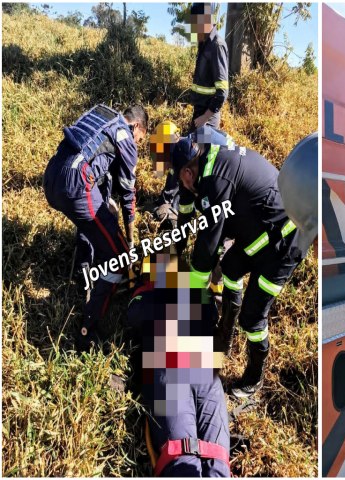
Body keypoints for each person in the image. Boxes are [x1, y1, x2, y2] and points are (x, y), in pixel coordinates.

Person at [171, 138, 307, 398]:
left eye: (181, 180)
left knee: (253, 318)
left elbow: (208, 244)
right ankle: (225, 335)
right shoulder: (203, 160)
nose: (183, 186)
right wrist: (176, 256)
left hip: (285, 241)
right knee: (230, 268)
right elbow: (187, 212)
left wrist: (193, 297)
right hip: (258, 231)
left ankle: (254, 377)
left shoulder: (215, 181)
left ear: (188, 173)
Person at [43, 104, 148, 350]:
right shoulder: (125, 135)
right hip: (76, 184)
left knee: (92, 222)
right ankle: (87, 331)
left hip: (52, 179)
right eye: (140, 140)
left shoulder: (102, 116)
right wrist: (129, 243)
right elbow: (128, 195)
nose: (137, 145)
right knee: (120, 257)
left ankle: (84, 273)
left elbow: (94, 162)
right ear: (137, 127)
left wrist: (106, 203)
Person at [127, 251, 230, 477]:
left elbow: (135, 314)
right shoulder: (151, 297)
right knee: (187, 461)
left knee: (214, 460)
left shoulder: (186, 296)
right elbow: (135, 315)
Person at [190, 3, 229, 130]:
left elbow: (222, 92)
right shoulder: (204, 43)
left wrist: (205, 118)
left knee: (202, 150)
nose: (194, 28)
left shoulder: (216, 46)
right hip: (199, 113)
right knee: (190, 149)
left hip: (207, 120)